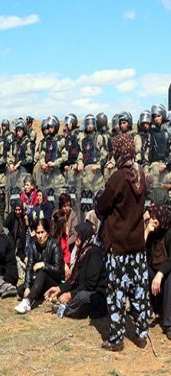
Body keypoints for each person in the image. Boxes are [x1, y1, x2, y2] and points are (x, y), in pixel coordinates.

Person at [96, 133, 150, 352]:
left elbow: (101, 206)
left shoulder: (118, 178)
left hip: (118, 246)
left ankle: (117, 339)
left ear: (118, 151)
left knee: (116, 293)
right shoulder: (141, 174)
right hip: (137, 244)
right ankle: (141, 334)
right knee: (138, 291)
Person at [44, 222, 107, 319]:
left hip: (96, 295)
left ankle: (66, 310)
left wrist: (70, 295)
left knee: (82, 296)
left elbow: (90, 285)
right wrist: (59, 288)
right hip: (84, 290)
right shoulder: (82, 253)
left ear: (86, 237)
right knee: (65, 293)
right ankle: (69, 306)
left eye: (80, 236)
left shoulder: (94, 253)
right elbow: (73, 280)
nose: (77, 238)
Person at [15, 218, 64, 314]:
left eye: (42, 232)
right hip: (37, 280)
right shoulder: (33, 246)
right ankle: (37, 293)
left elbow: (59, 270)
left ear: (47, 233)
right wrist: (28, 286)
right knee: (21, 289)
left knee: (42, 273)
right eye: (38, 233)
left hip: (52, 281)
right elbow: (29, 267)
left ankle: (27, 302)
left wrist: (44, 265)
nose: (40, 236)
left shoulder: (54, 245)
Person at [145, 205, 171, 340]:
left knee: (170, 278)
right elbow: (139, 253)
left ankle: (169, 323)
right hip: (153, 272)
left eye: (156, 218)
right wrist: (146, 232)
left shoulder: (169, 233)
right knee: (142, 271)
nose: (153, 221)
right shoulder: (153, 233)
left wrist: (160, 274)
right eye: (152, 218)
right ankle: (144, 312)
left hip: (165, 274)